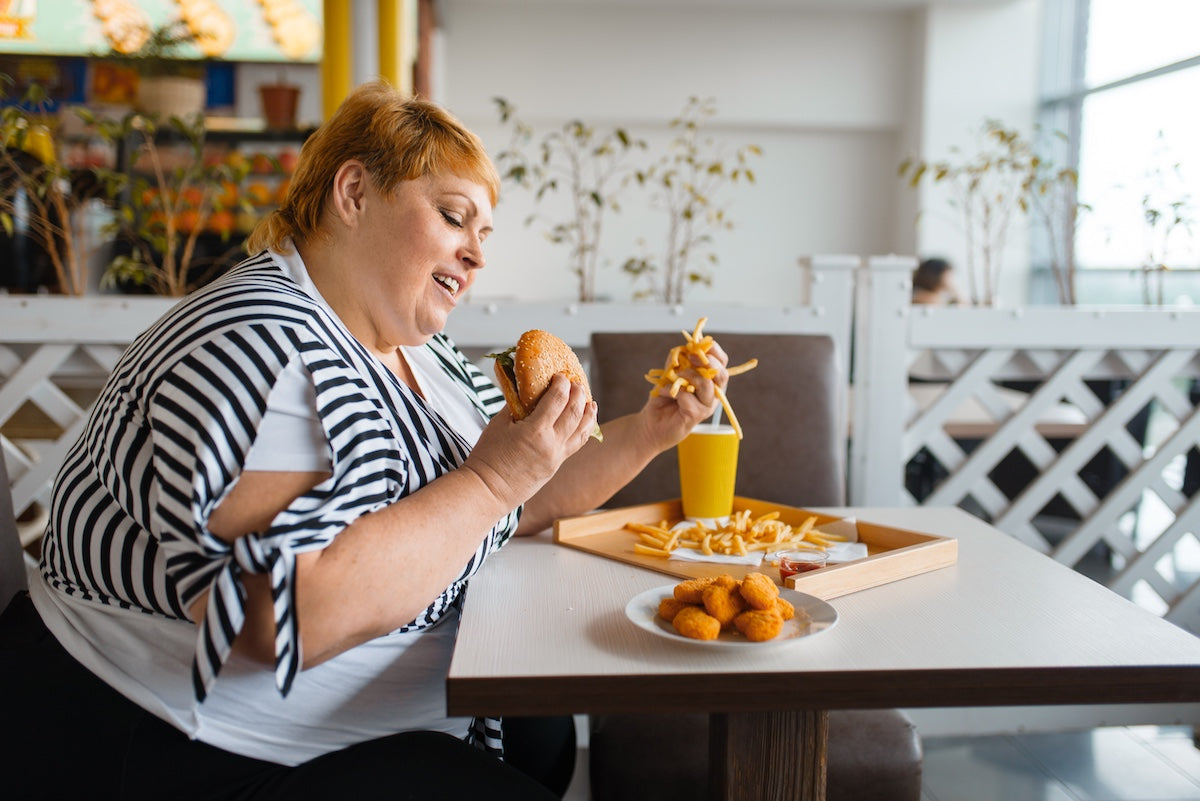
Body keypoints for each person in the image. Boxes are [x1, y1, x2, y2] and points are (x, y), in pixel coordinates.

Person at [0, 81, 728, 800]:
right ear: (353, 194)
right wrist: (492, 481)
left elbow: (526, 495)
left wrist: (648, 431)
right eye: (453, 216)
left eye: (484, 234)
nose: (476, 254)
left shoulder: (423, 354)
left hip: (354, 708)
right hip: (169, 736)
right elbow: (274, 613)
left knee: (542, 738)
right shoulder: (259, 344)